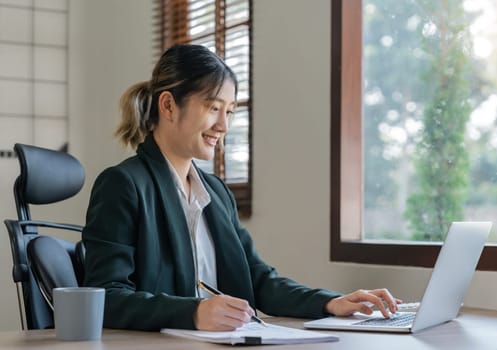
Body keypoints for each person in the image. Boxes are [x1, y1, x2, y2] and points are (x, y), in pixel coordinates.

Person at [82, 44, 400, 332]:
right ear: (168, 106)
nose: (224, 126)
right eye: (212, 108)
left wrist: (330, 303)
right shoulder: (123, 185)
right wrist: (192, 313)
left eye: (230, 111)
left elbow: (258, 279)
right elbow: (106, 298)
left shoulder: (216, 193)